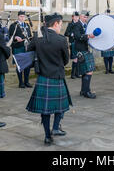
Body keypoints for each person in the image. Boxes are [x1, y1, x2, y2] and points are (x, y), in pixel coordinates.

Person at [26, 13, 72, 146]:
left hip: (43, 77)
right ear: (56, 23)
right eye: (61, 24)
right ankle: (56, 127)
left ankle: (47, 136)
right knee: (60, 106)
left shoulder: (38, 38)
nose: (61, 26)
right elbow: (65, 60)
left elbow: (29, 51)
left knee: (45, 111)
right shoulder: (61, 40)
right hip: (57, 76)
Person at [72, 11, 96, 99]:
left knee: (86, 71)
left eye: (87, 17)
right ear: (81, 17)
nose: (86, 19)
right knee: (89, 70)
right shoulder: (77, 25)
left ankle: (83, 90)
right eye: (84, 17)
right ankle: (87, 92)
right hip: (81, 50)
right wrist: (89, 36)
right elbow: (78, 36)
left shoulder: (86, 25)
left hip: (85, 49)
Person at [9, 11, 33, 88]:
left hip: (27, 47)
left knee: (28, 65)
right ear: (18, 17)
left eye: (23, 16)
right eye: (21, 16)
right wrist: (16, 37)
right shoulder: (13, 25)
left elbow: (30, 35)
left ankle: (26, 81)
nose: (22, 18)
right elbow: (10, 36)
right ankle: (20, 82)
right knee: (19, 65)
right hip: (18, 47)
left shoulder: (27, 25)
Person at [64, 11, 81, 79]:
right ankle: (72, 74)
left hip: (79, 43)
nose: (76, 18)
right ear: (72, 17)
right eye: (75, 17)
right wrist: (71, 34)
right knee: (75, 59)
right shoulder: (70, 24)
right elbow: (66, 33)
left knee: (79, 58)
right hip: (73, 43)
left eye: (77, 17)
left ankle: (77, 73)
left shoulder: (80, 24)